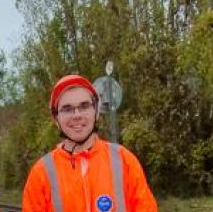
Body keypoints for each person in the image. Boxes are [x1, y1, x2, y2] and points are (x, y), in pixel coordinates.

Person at [22, 74, 159, 212]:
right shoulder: (41, 174)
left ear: (96, 111)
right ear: (56, 118)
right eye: (67, 109)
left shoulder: (124, 161)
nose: (77, 115)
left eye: (84, 106)